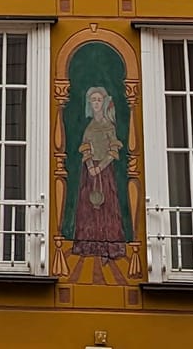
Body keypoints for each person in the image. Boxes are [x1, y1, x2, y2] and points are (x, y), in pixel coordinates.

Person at [73, 87, 126, 257]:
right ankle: (89, 245)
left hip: (104, 171)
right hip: (89, 173)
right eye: (93, 100)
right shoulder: (89, 127)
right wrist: (90, 166)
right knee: (88, 208)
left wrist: (99, 167)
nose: (96, 103)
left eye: (98, 100)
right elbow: (85, 147)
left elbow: (113, 151)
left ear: (104, 103)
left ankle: (109, 246)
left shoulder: (108, 126)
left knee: (107, 207)